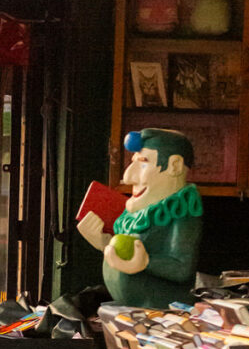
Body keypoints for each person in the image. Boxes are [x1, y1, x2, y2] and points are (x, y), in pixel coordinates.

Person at [77, 128, 203, 308]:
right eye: (132, 162)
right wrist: (104, 242)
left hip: (162, 314)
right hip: (131, 310)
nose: (128, 177)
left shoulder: (181, 212)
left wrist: (146, 262)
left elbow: (182, 268)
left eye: (143, 163)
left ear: (174, 166)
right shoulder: (137, 212)